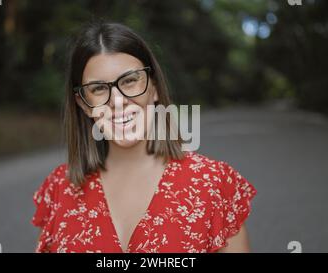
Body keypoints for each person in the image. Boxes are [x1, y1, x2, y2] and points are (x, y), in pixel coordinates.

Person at [31, 21, 257, 253]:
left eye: (129, 81)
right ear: (84, 104)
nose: (117, 101)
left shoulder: (213, 182)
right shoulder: (59, 189)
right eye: (98, 88)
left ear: (154, 87)